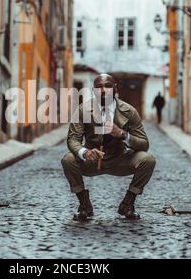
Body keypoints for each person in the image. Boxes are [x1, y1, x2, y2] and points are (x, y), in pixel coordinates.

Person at [61, 74, 156, 221]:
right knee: (68, 159)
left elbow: (144, 144)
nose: (104, 90)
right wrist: (84, 152)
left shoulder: (129, 111)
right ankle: (84, 205)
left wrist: (122, 134)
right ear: (94, 90)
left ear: (115, 88)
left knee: (148, 160)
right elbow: (73, 139)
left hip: (119, 158)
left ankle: (128, 203)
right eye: (99, 87)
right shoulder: (83, 110)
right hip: (92, 159)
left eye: (108, 86)